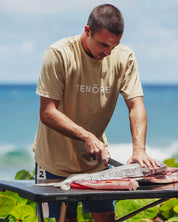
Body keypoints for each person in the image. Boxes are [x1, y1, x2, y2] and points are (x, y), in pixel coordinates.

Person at [32, 4, 159, 222]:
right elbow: (47, 112)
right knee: (64, 219)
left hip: (95, 161)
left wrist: (139, 149)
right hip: (54, 161)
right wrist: (87, 135)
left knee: (107, 216)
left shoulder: (124, 56)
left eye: (114, 45)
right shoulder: (59, 54)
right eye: (103, 44)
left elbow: (136, 105)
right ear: (87, 30)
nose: (108, 52)